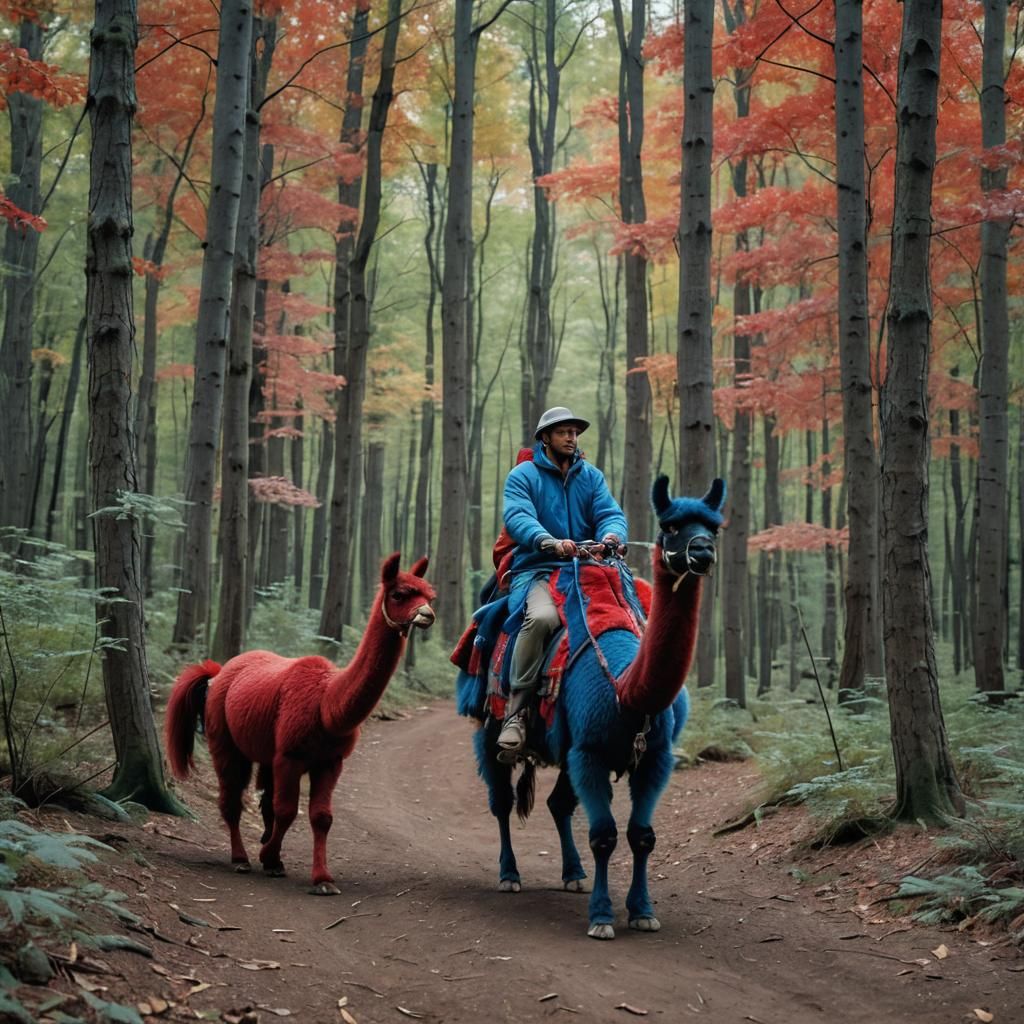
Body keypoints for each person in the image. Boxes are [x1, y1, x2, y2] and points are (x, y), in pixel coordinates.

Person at [497, 406, 628, 755]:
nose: (571, 438)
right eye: (563, 432)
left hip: (588, 570)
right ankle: (517, 712)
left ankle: (638, 711)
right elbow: (517, 516)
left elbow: (609, 513)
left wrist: (613, 536)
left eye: (574, 432)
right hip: (537, 568)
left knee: (632, 612)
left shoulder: (592, 477)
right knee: (542, 618)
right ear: (545, 437)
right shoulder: (523, 476)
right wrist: (548, 541)